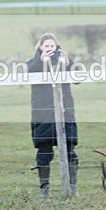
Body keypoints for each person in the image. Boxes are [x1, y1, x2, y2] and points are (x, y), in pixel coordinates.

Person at [26, 33, 79, 198]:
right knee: (44, 152)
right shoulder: (33, 63)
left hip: (66, 113)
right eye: (46, 46)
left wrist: (67, 64)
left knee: (70, 150)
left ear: (57, 47)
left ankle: (72, 188)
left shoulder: (63, 61)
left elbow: (78, 78)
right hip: (43, 113)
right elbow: (28, 72)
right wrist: (41, 60)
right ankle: (44, 190)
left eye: (52, 46)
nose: (50, 49)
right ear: (40, 47)